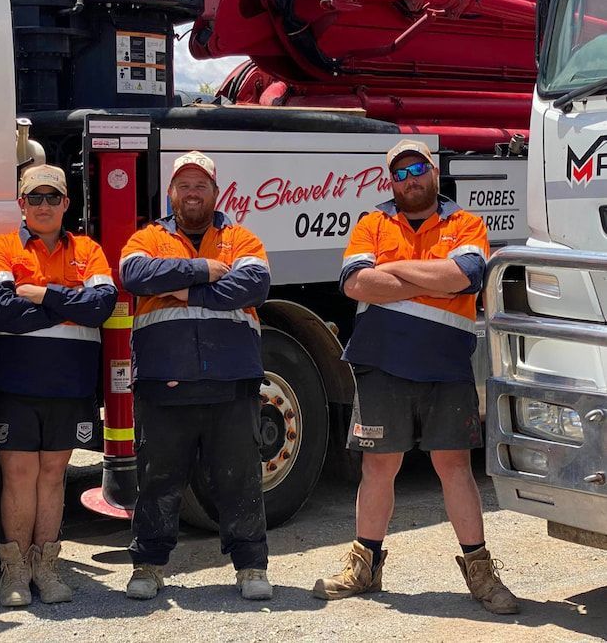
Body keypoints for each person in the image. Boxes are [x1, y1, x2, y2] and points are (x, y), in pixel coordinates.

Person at [312, 140, 519, 614]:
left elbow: (466, 275)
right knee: (378, 468)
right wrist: (432, 276)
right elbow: (354, 282)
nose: (410, 179)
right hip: (381, 365)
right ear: (391, 182)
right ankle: (365, 566)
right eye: (400, 173)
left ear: (434, 172)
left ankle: (480, 573)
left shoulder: (464, 223)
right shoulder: (372, 222)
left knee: (454, 468)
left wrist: (394, 271)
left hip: (445, 367)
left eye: (417, 169)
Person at [120, 151, 273, 601]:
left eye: (200, 185)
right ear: (170, 193)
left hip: (232, 380)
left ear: (215, 192)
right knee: (158, 479)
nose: (192, 192)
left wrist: (178, 289)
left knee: (240, 478)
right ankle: (147, 565)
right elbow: (134, 274)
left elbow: (252, 286)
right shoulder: (146, 238)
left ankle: (250, 566)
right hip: (165, 381)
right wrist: (203, 271)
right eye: (184, 185)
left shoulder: (241, 238)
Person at [0, 164, 117, 607]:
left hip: (69, 385)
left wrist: (39, 294)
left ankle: (47, 569)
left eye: (51, 197)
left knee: (54, 476)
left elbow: (102, 306)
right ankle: (15, 572)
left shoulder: (89, 251)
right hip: (16, 382)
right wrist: (67, 302)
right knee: (19, 476)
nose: (43, 205)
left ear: (66, 204)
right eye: (34, 197)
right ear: (21, 204)